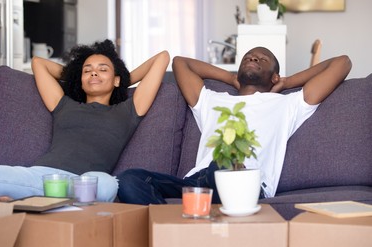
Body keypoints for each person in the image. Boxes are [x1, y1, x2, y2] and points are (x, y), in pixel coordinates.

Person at [117, 46, 352, 204]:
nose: (253, 58)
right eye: (249, 57)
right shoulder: (212, 100)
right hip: (198, 182)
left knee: (222, 165)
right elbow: (181, 63)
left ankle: (180, 222)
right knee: (129, 179)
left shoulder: (287, 104)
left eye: (262, 59)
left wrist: (287, 82)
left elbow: (342, 63)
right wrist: (230, 78)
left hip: (245, 184)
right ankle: (170, 226)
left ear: (274, 77)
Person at [0, 39, 170, 202]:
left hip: (85, 184)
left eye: (102, 69)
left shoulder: (128, 110)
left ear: (116, 79)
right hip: (44, 177)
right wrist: (77, 76)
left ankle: (26, 202)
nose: (94, 73)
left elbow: (162, 57)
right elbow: (39, 63)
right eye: (87, 71)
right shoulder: (63, 105)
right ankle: (31, 202)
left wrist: (120, 80)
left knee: (107, 184)